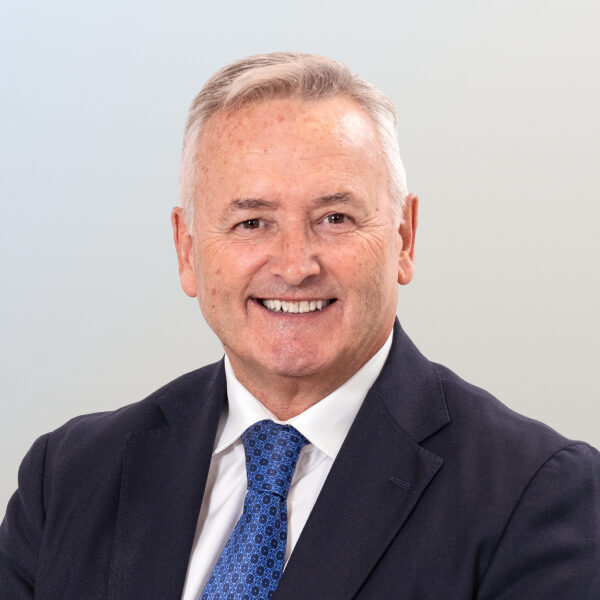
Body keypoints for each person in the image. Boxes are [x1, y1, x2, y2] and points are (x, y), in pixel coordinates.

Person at [1, 52, 599, 599]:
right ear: (187, 250)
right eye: (252, 223)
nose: (295, 266)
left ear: (404, 237)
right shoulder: (69, 478)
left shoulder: (539, 495)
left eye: (335, 218)